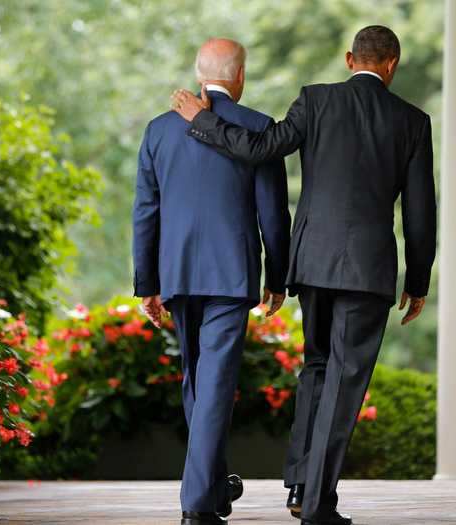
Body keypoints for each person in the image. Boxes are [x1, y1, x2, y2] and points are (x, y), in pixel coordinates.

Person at [170, 25, 437, 525]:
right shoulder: (412, 121)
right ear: (392, 64)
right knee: (345, 380)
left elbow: (261, 149)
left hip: (312, 262)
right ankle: (316, 504)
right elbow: (421, 211)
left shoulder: (315, 101)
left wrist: (204, 124)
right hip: (367, 269)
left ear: (348, 58)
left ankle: (299, 484)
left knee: (316, 368)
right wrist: (418, 280)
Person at [132, 38, 291, 525]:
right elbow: (273, 214)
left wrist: (147, 283)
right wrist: (277, 275)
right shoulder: (259, 128)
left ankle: (215, 486)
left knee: (198, 381)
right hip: (232, 273)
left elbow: (146, 212)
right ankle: (198, 505)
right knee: (214, 384)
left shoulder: (159, 131)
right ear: (239, 76)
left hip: (176, 273)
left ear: (199, 75)